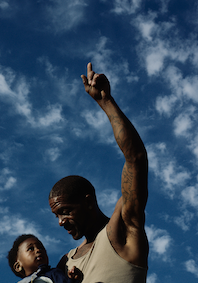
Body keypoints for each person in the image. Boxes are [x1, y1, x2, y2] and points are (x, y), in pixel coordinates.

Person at [49, 63, 149, 283]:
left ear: (88, 202)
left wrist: (105, 101)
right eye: (57, 215)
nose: (60, 222)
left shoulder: (122, 227)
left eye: (65, 211)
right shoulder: (65, 263)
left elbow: (136, 159)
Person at [8, 234, 83, 283]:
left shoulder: (53, 273)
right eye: (30, 249)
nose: (38, 250)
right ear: (18, 266)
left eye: (41, 248)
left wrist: (73, 279)